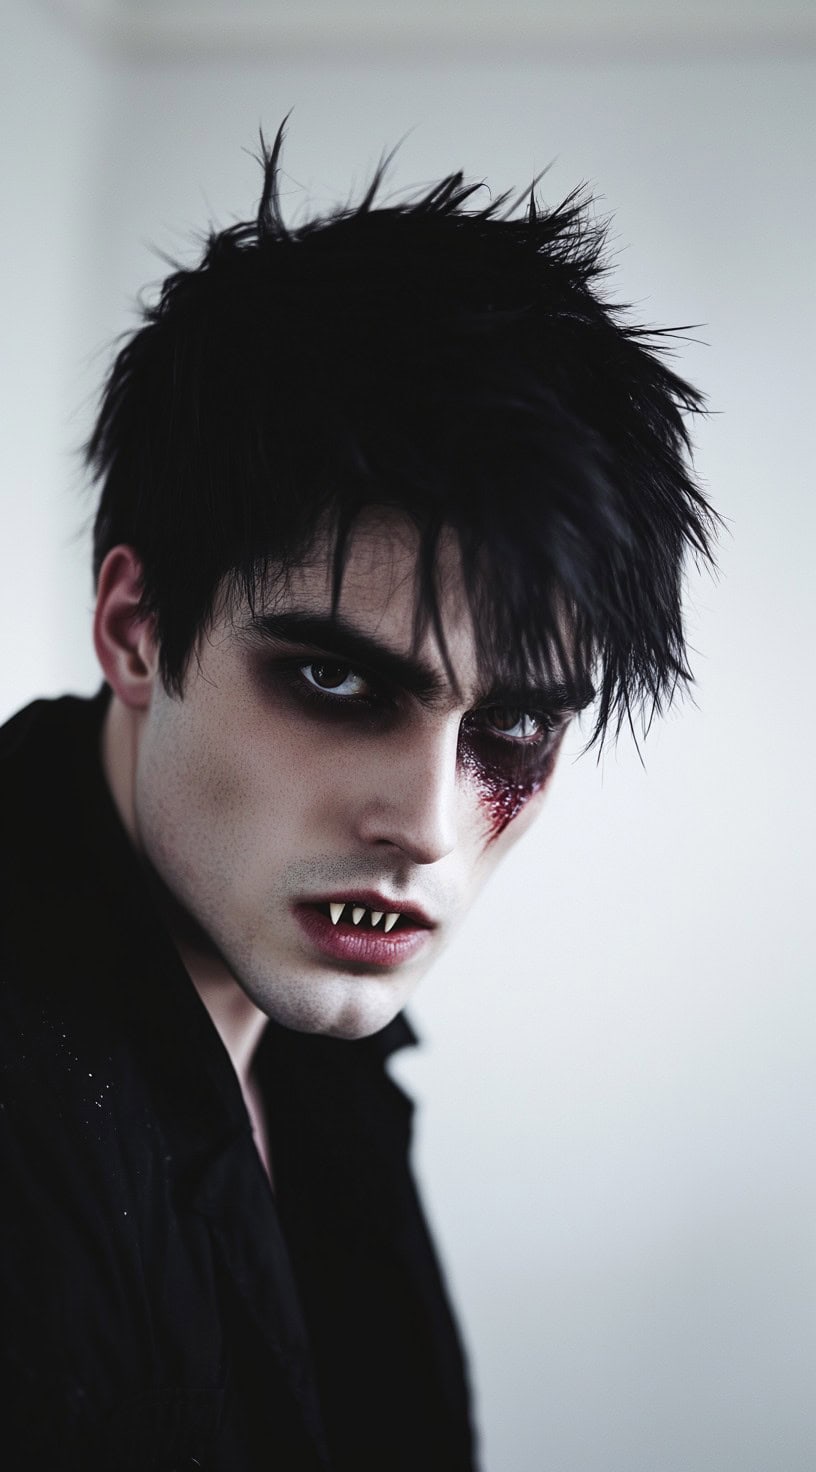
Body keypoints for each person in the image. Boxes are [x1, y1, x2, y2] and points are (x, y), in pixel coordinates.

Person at [0, 122, 716, 1471]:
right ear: (136, 625)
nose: (428, 825)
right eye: (337, 684)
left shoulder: (322, 1050)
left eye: (510, 725)